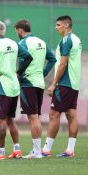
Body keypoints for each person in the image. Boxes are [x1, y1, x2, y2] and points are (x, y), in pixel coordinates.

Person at [0, 21, 33, 160]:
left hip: (2, 87)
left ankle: (0, 152)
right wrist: (18, 72)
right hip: (14, 86)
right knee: (10, 119)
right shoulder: (13, 43)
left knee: (0, 120)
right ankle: (17, 150)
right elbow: (29, 57)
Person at [14, 19, 56, 158]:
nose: (17, 34)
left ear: (20, 30)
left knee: (32, 117)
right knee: (35, 117)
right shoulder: (42, 42)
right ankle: (36, 150)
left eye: (17, 31)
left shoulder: (23, 43)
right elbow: (52, 59)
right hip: (39, 83)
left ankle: (37, 152)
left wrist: (18, 75)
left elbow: (24, 60)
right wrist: (43, 73)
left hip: (28, 82)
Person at [42, 15, 82, 157]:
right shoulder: (76, 39)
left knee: (54, 114)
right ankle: (70, 150)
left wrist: (54, 84)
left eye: (58, 25)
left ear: (66, 25)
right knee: (71, 115)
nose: (56, 27)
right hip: (74, 83)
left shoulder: (66, 40)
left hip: (65, 83)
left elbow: (63, 63)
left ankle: (46, 150)